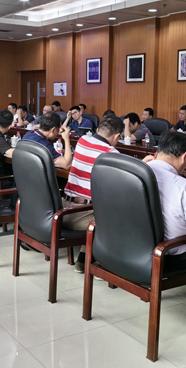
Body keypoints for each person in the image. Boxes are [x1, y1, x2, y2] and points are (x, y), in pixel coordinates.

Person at [61, 115, 123, 273]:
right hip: (81, 215)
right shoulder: (111, 152)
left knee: (98, 206)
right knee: (117, 211)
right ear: (117, 136)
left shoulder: (82, 140)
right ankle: (102, 264)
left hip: (63, 209)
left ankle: (84, 257)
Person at [146, 131, 186, 271]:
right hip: (168, 255)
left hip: (138, 250)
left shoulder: (139, 172)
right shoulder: (184, 187)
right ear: (184, 156)